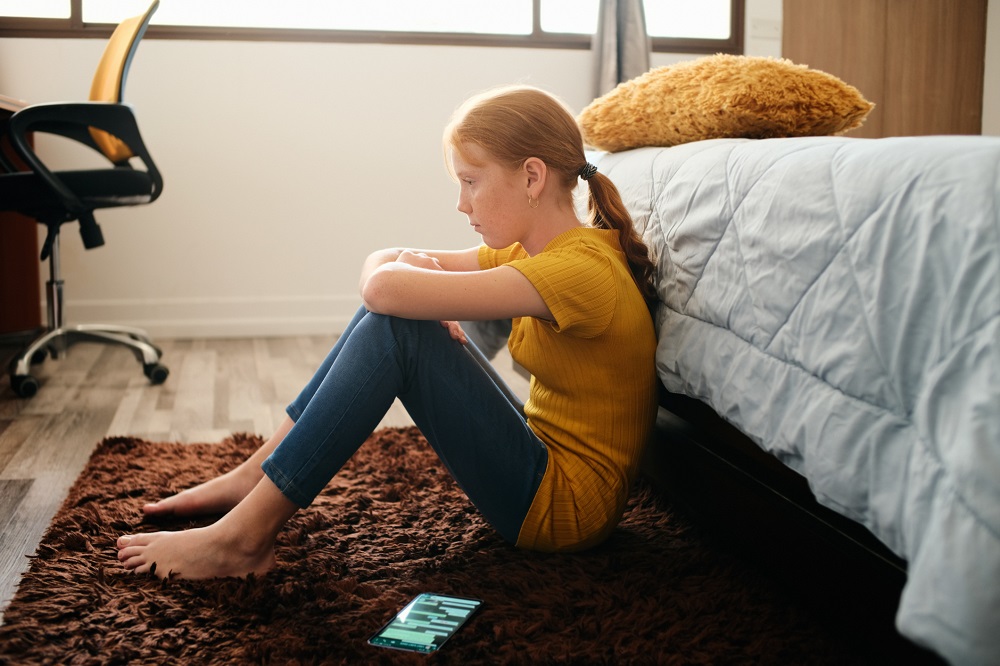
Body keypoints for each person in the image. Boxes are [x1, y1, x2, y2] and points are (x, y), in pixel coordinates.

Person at [116, 85, 659, 580]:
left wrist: (404, 282)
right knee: (392, 320)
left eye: (471, 182)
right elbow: (384, 273)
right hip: (543, 457)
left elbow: (384, 288)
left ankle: (244, 538)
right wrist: (402, 276)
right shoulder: (536, 250)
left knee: (397, 330)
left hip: (563, 509)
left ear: (532, 177)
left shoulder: (578, 272)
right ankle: (258, 474)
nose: (461, 204)